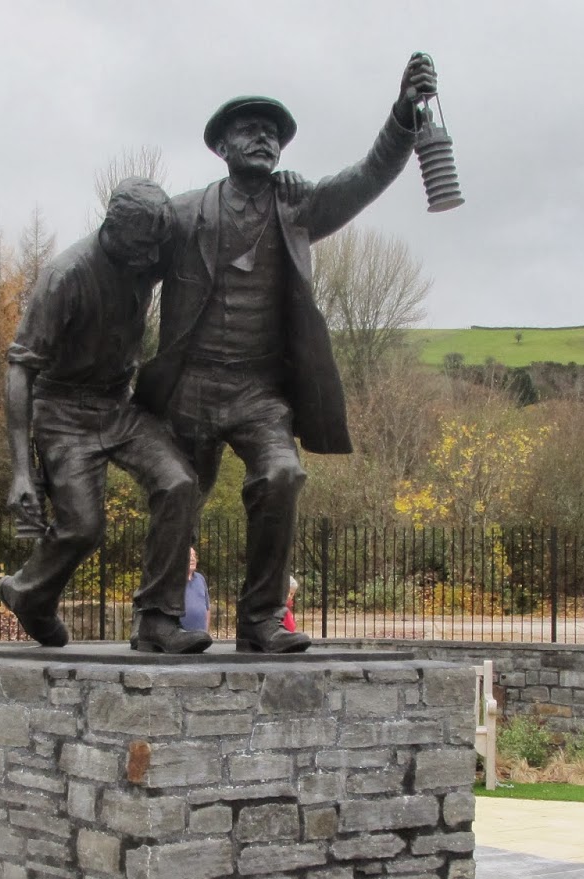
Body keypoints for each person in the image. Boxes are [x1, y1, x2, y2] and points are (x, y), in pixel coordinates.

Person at [134, 53, 438, 653]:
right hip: (191, 383)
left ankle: (262, 620)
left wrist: (404, 115)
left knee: (282, 474)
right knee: (178, 491)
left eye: (273, 131)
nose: (265, 137)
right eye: (250, 128)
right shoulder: (182, 214)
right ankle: (157, 621)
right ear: (221, 144)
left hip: (259, 390)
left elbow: (366, 177)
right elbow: (122, 263)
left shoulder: (297, 208)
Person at [0, 178, 210, 654]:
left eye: (153, 251)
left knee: (179, 481)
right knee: (84, 527)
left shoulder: (147, 248)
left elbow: (201, 210)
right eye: (138, 250)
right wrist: (20, 472)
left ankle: (157, 621)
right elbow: (20, 369)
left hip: (119, 405)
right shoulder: (65, 277)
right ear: (111, 228)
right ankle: (28, 594)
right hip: (63, 411)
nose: (147, 262)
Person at [182, 546, 209, 633]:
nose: (193, 559)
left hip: (199, 637)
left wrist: (206, 632)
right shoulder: (175, 581)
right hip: (180, 637)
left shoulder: (200, 578)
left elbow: (207, 608)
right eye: (190, 555)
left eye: (194, 556)